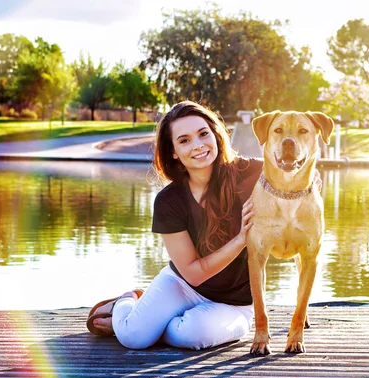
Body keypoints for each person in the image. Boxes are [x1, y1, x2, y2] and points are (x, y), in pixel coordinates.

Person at [86, 100, 263, 350]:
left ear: (215, 135)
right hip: (183, 284)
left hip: (236, 304)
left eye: (203, 134)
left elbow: (300, 178)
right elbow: (193, 273)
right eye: (184, 140)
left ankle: (155, 322)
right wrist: (241, 240)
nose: (198, 145)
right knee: (132, 336)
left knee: (190, 334)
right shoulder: (168, 201)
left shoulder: (250, 173)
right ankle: (126, 302)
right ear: (173, 151)